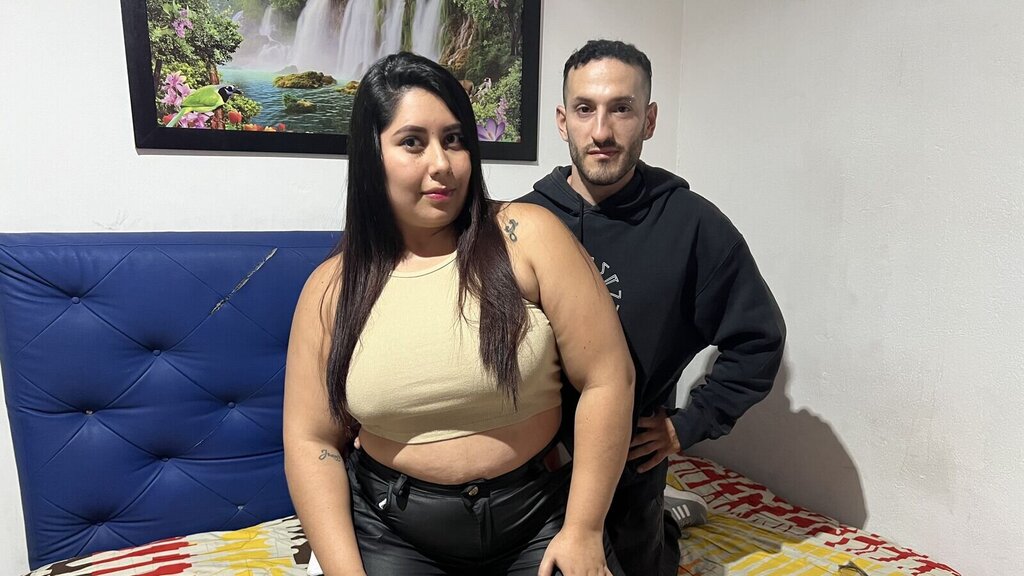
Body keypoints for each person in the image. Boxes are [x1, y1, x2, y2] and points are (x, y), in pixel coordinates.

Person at [283, 52, 634, 576]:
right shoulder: (331, 289)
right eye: (412, 142)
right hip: (394, 527)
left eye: (454, 139)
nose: (442, 164)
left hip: (539, 516)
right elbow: (312, 441)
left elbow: (608, 377)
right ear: (371, 155)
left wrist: (584, 530)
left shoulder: (528, 235)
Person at [518, 40, 787, 575]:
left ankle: (664, 520)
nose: (601, 131)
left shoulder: (692, 226)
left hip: (628, 480)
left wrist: (688, 424)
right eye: (585, 109)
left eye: (621, 108)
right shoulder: (521, 220)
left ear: (650, 119)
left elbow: (759, 339)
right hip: (527, 475)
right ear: (562, 121)